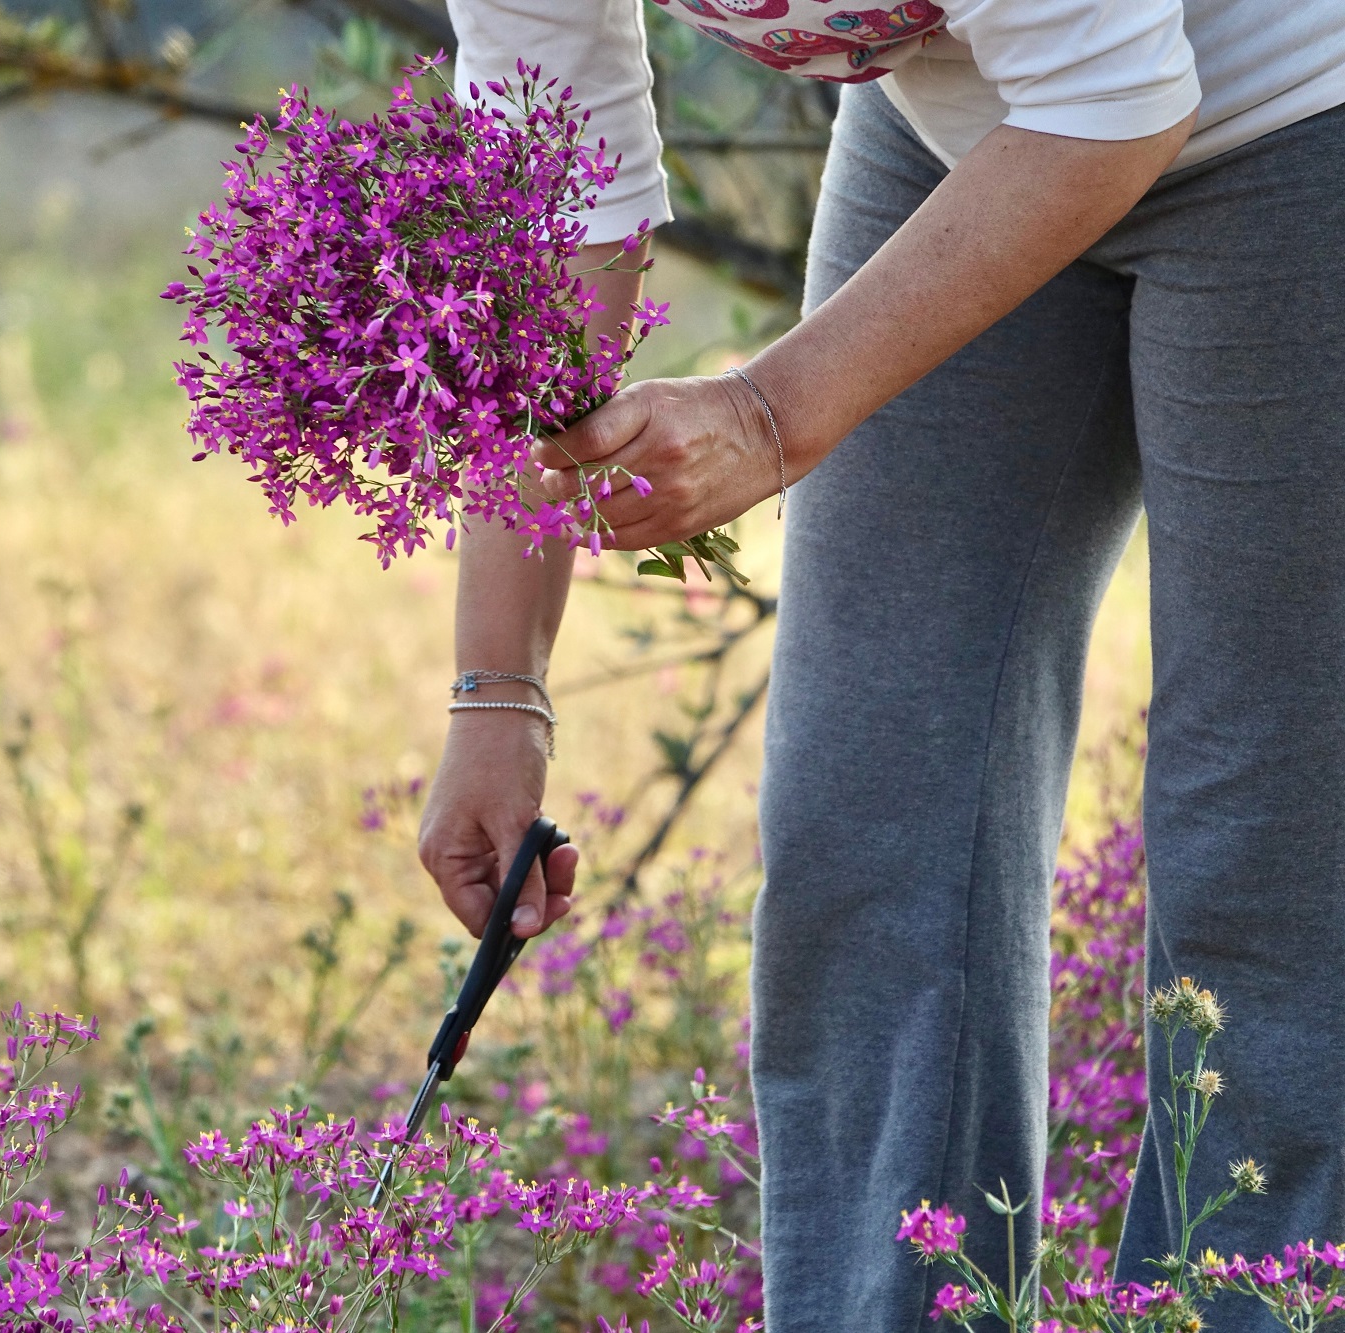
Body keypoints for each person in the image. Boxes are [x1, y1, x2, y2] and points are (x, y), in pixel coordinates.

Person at [414, 0, 1345, 1328]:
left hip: (1297, 112)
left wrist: (768, 415)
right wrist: (497, 692)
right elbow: (552, 208)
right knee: (871, 816)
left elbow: (1114, 102)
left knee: (1271, 851)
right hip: (961, 134)